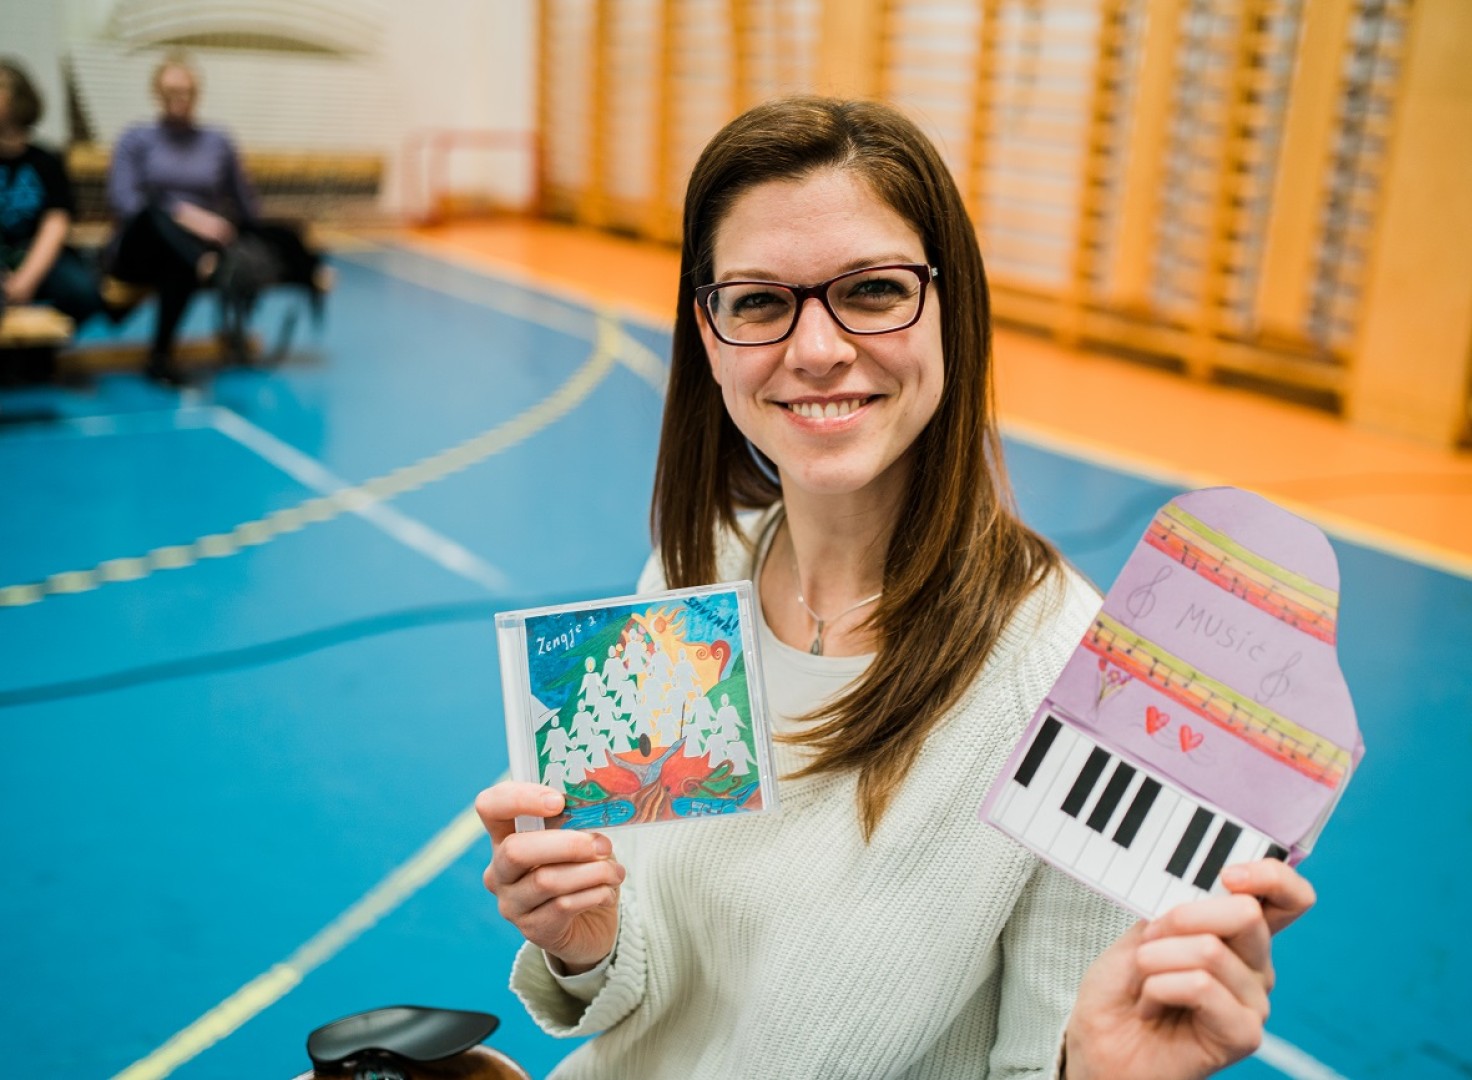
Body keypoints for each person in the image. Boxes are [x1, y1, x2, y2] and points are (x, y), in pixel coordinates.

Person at [476, 97, 1316, 1080]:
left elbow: (1055, 1058)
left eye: (873, 290)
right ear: (709, 335)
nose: (816, 349)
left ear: (953, 308)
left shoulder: (1083, 686)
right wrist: (590, 940)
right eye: (758, 302)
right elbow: (652, 992)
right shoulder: (696, 568)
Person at [103, 52, 324, 384]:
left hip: (190, 250)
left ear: (197, 93)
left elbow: (247, 207)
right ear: (157, 93)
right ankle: (204, 265)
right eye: (171, 91)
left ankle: (159, 358)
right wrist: (185, 214)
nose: (179, 98)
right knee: (153, 214)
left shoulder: (217, 141)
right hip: (141, 245)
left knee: (180, 260)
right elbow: (125, 202)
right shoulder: (135, 138)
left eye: (186, 91)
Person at [0, 58, 101, 326]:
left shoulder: (45, 161)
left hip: (38, 254)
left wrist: (26, 279)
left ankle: (44, 345)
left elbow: (56, 221)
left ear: (17, 100)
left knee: (83, 293)